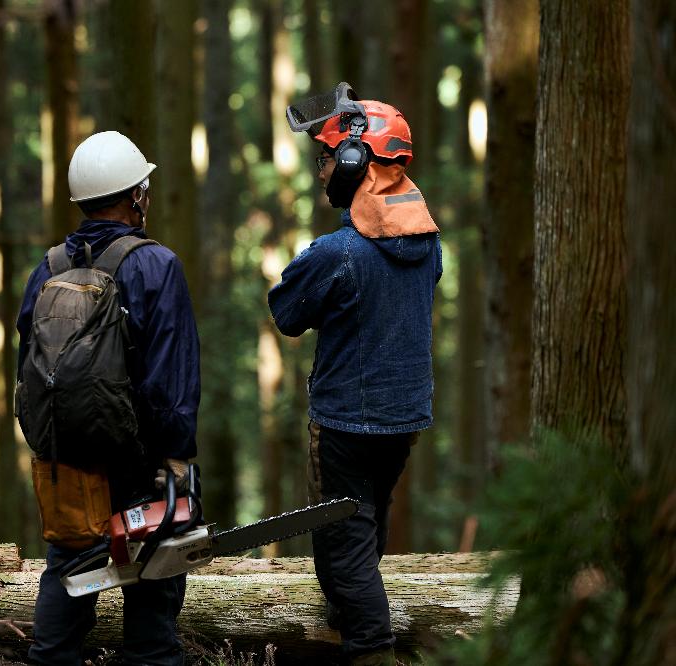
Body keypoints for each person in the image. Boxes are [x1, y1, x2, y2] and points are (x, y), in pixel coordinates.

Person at [268, 91, 442, 666]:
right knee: (366, 529)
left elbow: (286, 313)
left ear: (352, 162)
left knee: (342, 549)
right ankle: (347, 630)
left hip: (345, 424)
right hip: (404, 420)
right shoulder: (430, 246)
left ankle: (371, 651)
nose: (321, 171)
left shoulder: (337, 253)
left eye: (326, 159)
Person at [17, 130, 200, 665]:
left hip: (69, 462)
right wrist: (175, 457)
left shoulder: (48, 268)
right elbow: (170, 375)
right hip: (140, 461)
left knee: (65, 590)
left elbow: (27, 370)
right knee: (153, 625)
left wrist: (50, 446)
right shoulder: (157, 265)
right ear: (136, 195)